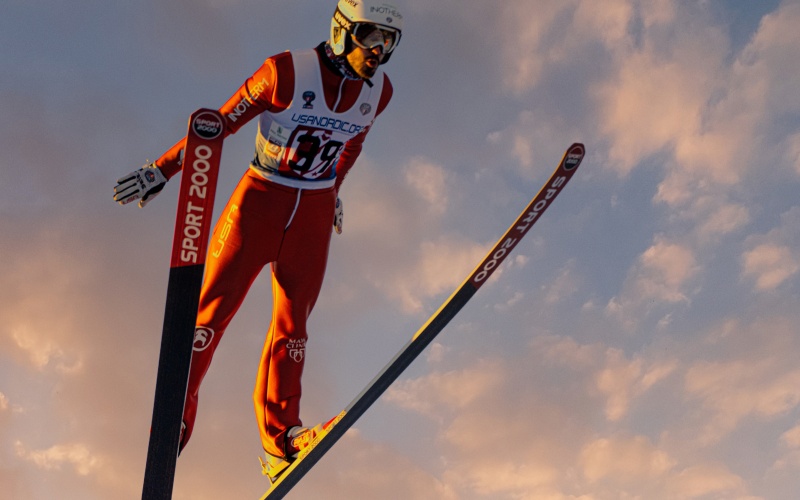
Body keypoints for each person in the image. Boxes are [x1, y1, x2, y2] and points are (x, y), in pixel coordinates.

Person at [113, 0, 402, 482]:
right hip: (260, 200)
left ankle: (281, 442)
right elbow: (220, 124)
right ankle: (175, 419)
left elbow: (352, 144)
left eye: (390, 42)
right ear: (342, 30)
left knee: (294, 328)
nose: (379, 51)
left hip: (310, 210)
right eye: (371, 36)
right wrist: (160, 170)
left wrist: (334, 192)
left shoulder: (381, 92)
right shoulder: (285, 72)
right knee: (209, 314)